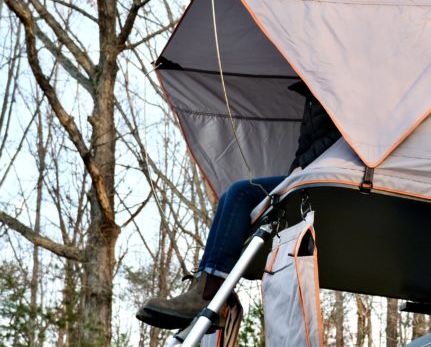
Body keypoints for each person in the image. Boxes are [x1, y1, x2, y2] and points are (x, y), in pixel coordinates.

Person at [137, 81, 341, 330]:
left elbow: (342, 138)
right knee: (229, 197)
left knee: (240, 193)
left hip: (329, 178)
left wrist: (303, 167)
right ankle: (205, 282)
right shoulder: (313, 99)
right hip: (304, 176)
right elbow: (303, 149)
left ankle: (211, 291)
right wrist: (294, 172)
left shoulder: (339, 92)